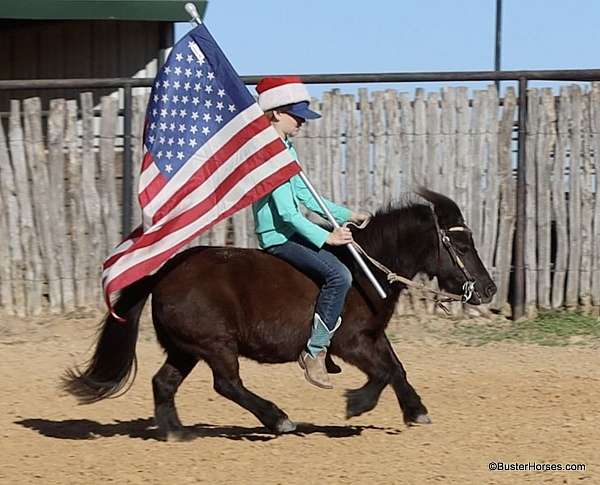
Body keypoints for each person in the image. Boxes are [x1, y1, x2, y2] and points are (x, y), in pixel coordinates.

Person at [252, 76, 369, 389]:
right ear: (276, 112)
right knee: (339, 276)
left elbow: (306, 195)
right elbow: (288, 214)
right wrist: (327, 237)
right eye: (297, 114)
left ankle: (326, 335)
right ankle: (314, 352)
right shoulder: (269, 153)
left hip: (293, 230)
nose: (302, 121)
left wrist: (347, 215)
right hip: (279, 237)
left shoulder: (285, 147)